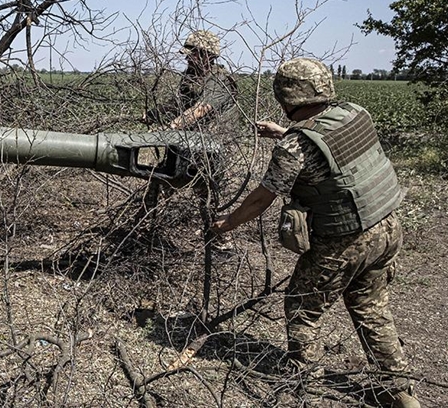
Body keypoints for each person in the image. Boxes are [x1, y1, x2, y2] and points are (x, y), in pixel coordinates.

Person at [212, 58, 419, 408]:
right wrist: (284, 133)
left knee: (301, 309)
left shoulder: (294, 147)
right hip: (387, 228)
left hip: (344, 241)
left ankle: (303, 384)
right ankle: (401, 393)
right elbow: (331, 149)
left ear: (287, 96)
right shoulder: (355, 113)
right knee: (371, 309)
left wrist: (226, 224)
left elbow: (261, 199)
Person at [141, 30, 238, 248]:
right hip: (189, 141)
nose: (187, 58)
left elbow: (201, 109)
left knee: (209, 193)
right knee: (160, 179)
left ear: (207, 55)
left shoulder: (219, 80)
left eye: (192, 53)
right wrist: (154, 114)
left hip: (213, 146)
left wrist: (172, 126)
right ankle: (148, 227)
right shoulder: (190, 77)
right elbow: (178, 104)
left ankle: (221, 241)